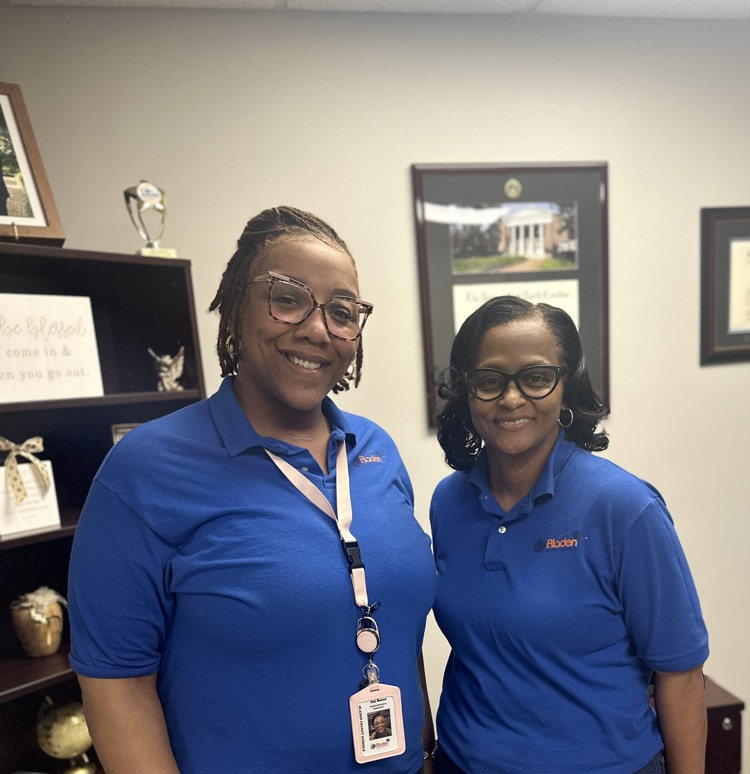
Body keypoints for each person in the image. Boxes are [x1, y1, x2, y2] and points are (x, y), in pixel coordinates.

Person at [67, 206, 437, 773]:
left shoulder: (375, 450)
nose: (317, 329)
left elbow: (400, 635)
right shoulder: (144, 470)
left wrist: (426, 754)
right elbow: (118, 683)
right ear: (235, 309)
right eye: (287, 298)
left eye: (342, 312)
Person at [429, 295, 708, 774]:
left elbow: (680, 673)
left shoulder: (625, 508)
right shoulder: (448, 503)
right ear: (466, 390)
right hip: (462, 760)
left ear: (566, 387)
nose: (511, 398)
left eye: (536, 378)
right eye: (490, 380)